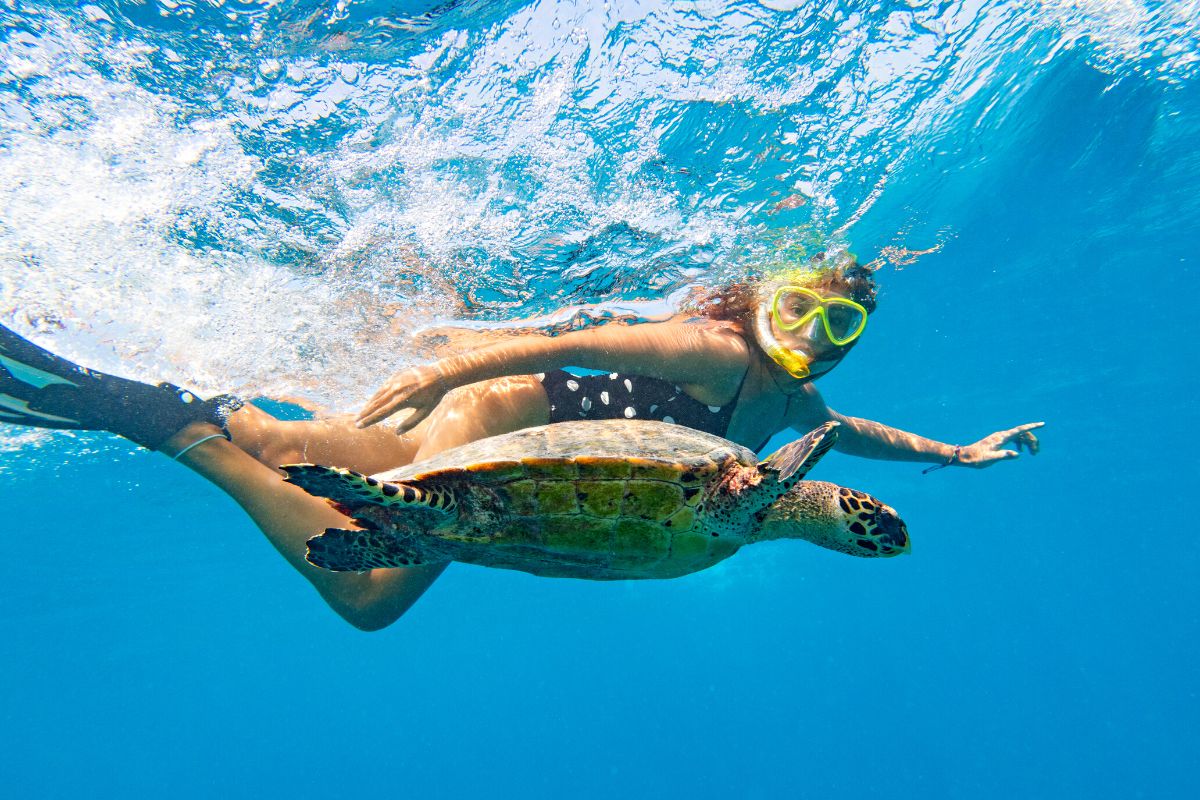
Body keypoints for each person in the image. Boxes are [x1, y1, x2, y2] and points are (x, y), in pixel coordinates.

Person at [0, 257, 1042, 630]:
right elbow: (571, 338)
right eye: (807, 304)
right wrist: (442, 368)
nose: (814, 332)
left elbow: (849, 431)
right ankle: (175, 427)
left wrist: (956, 455)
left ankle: (134, 381)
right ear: (771, 294)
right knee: (367, 592)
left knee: (293, 434)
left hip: (525, 437)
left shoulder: (790, 413)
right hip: (505, 417)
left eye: (842, 327)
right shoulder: (717, 350)